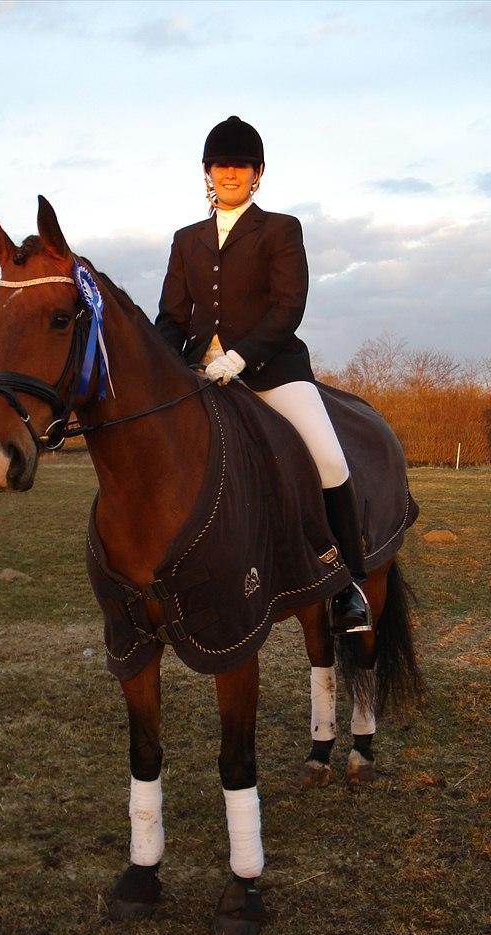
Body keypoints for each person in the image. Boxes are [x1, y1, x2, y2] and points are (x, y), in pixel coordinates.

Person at [154, 115, 370, 634]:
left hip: (272, 369)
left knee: (328, 459)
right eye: (221, 165)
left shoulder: (280, 229)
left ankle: (348, 584)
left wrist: (240, 357)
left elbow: (288, 306)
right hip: (200, 374)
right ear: (208, 172)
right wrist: (165, 365)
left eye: (241, 165)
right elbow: (171, 316)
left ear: (258, 173)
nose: (230, 173)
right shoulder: (186, 240)